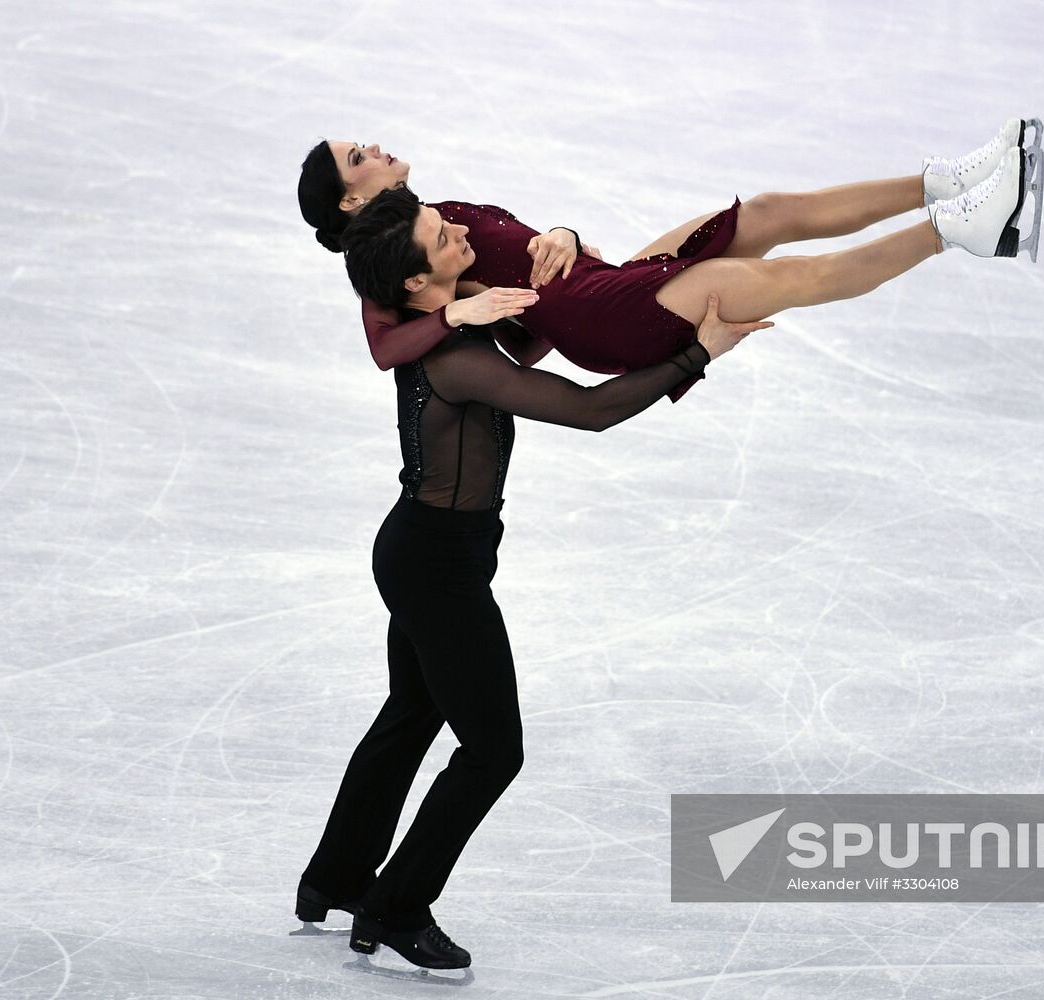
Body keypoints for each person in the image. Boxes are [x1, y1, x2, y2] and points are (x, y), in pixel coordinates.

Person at [295, 186, 772, 972]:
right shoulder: (452, 354)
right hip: (437, 567)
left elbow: (539, 329)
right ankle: (396, 906)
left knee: (413, 712)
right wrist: (698, 354)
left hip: (424, 548)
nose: (457, 229)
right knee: (493, 751)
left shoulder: (454, 326)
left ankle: (334, 879)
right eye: (439, 233)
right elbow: (590, 412)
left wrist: (566, 239)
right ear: (419, 284)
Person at [296, 119, 1044, 394]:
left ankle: (958, 181)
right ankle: (965, 229)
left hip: (590, 285)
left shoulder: (438, 214)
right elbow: (387, 349)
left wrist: (560, 232)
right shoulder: (382, 275)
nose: (375, 146)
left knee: (771, 213)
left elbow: (522, 314)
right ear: (349, 203)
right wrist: (465, 310)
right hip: (599, 318)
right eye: (358, 156)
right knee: (775, 280)